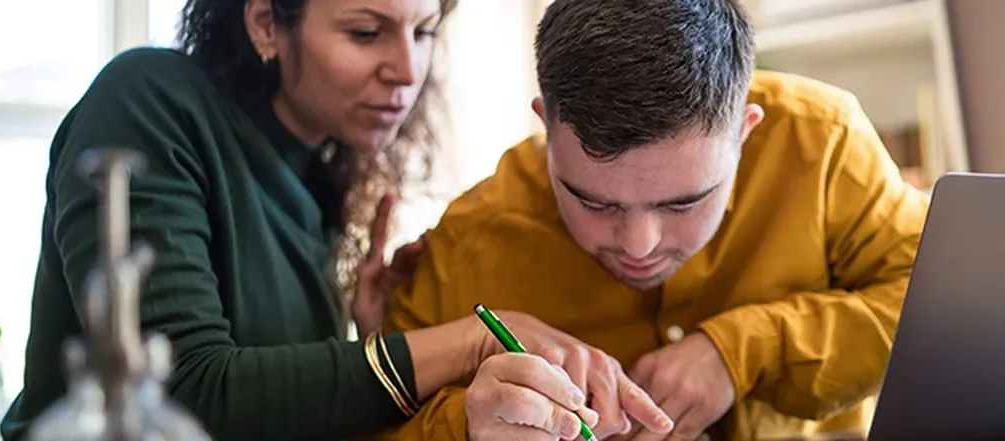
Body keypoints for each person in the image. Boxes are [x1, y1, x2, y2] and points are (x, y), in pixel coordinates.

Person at [0, 1, 672, 440]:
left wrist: (361, 324)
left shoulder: (326, 167)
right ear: (265, 22)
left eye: (425, 31)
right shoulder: (148, 98)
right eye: (365, 31)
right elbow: (185, 394)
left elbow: (285, 402)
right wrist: (466, 342)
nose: (407, 69)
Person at [378, 0, 932, 440]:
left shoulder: (824, 144)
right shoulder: (468, 244)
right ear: (547, 125)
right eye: (594, 202)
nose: (639, 246)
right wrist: (468, 428)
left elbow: (936, 305)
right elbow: (376, 429)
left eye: (683, 203)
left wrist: (742, 350)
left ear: (745, 127)